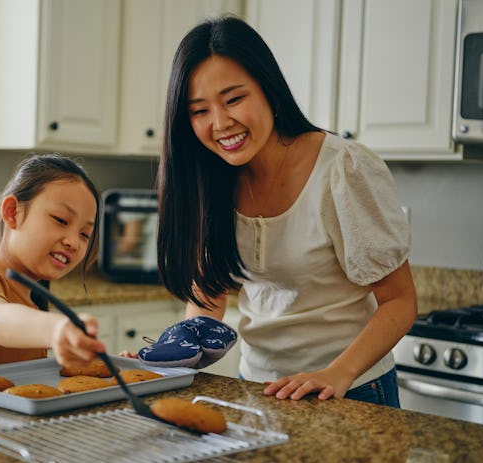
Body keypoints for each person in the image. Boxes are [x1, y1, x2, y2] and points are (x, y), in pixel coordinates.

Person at [151, 16, 417, 406]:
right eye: (199, 110)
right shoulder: (211, 178)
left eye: (234, 99)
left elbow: (400, 301)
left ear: (269, 90)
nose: (221, 123)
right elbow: (208, 296)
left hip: (352, 388)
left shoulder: (342, 168)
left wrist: (336, 373)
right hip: (258, 388)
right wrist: (172, 356)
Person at [0, 153, 105, 373]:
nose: (73, 242)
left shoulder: (31, 303)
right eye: (61, 220)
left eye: (84, 234)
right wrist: (58, 328)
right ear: (12, 212)